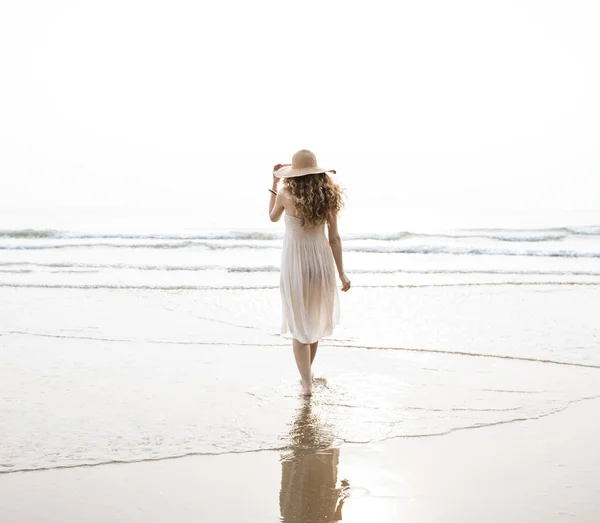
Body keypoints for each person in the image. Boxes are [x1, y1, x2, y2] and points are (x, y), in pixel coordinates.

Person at [268, 149, 351, 396]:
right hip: (321, 263)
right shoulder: (328, 197)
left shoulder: (284, 194)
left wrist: (273, 183)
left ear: (292, 175)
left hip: (295, 264)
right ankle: (308, 377)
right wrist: (342, 274)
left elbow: (272, 218)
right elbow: (334, 239)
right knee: (313, 322)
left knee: (299, 326)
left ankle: (306, 385)